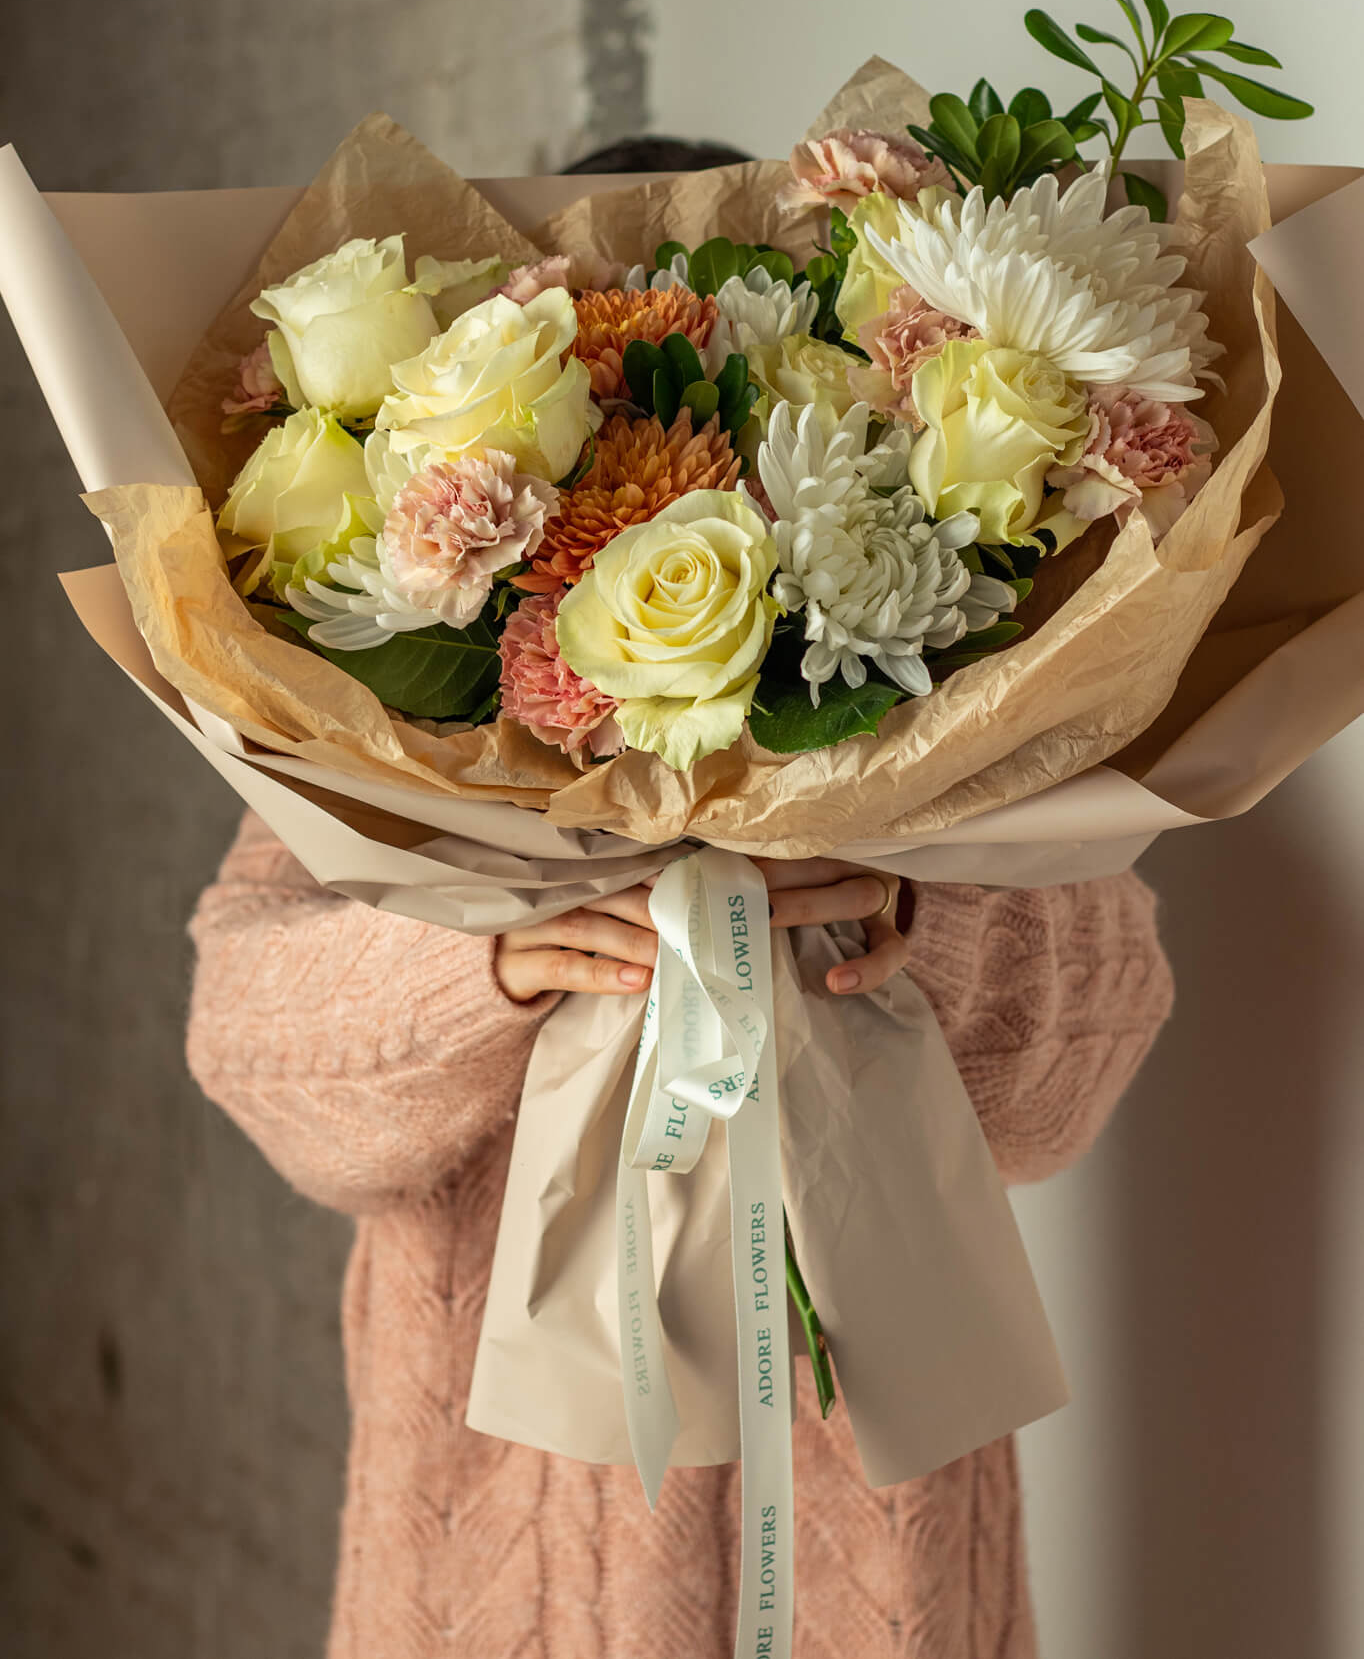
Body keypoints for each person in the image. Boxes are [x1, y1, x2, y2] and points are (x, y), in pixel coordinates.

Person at [184, 140, 1176, 1658]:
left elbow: (1090, 1054)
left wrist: (926, 923)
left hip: (884, 1573)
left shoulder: (929, 692)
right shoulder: (391, 726)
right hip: (493, 1574)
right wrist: (492, 963)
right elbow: (248, 1040)